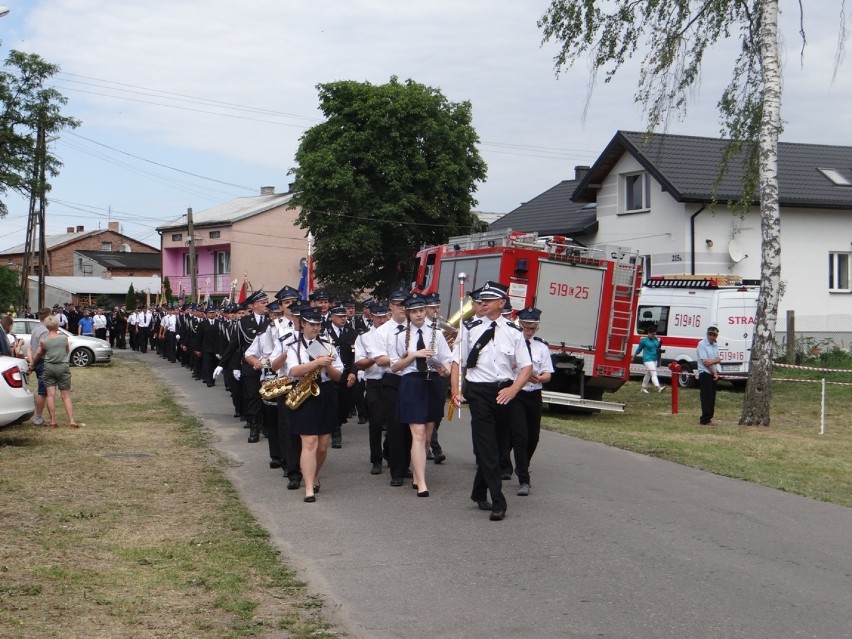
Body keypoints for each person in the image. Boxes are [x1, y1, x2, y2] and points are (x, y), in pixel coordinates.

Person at [451, 281, 532, 521]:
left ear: (502, 303)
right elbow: (457, 361)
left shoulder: (514, 331)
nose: (482, 303)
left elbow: (526, 367)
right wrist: (455, 391)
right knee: (486, 445)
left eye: (488, 300)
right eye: (481, 300)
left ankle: (478, 491)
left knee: (497, 446)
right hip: (478, 392)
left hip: (504, 391)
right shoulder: (469, 328)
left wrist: (514, 389)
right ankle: (498, 499)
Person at [389, 294, 452, 497]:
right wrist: (414, 355)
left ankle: (418, 473)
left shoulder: (436, 333)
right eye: (414, 311)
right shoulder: (399, 335)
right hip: (412, 383)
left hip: (432, 382)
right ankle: (422, 483)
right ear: (408, 313)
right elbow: (395, 367)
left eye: (421, 310)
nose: (418, 314)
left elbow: (447, 359)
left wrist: (446, 369)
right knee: (417, 433)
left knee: (427, 433)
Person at [282, 307, 343, 502]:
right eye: (312, 324)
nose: (315, 328)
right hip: (303, 392)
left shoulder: (328, 345)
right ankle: (308, 487)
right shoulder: (293, 346)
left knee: (323, 446)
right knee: (309, 442)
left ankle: (315, 474)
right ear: (303, 325)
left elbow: (338, 375)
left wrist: (327, 364)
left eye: (318, 324)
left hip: (324, 393)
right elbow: (294, 370)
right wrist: (316, 363)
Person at [511, 307, 554, 497]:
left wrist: (541, 378)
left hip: (534, 394)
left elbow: (548, 373)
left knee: (533, 437)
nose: (529, 332)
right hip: (517, 394)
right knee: (520, 436)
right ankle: (523, 478)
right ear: (519, 325)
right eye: (526, 328)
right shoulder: (511, 343)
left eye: (533, 329)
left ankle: (523, 465)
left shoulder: (541, 346)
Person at [354, 302, 389, 474]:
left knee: (395, 421)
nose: (382, 320)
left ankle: (391, 452)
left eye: (384, 316)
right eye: (378, 316)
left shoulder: (395, 334)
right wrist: (377, 357)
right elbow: (360, 363)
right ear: (372, 317)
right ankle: (376, 458)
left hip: (393, 380)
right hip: (374, 381)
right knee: (376, 421)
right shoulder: (364, 337)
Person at [29, 314, 78, 428]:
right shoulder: (63, 338)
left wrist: (32, 364)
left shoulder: (44, 341)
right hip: (62, 367)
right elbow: (67, 350)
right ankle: (71, 420)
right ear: (57, 326)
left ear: (47, 327)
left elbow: (38, 354)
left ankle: (53, 421)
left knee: (50, 395)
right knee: (66, 395)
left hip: (49, 367)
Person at [28, 308, 52, 426]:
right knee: (43, 391)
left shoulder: (36, 329)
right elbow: (40, 350)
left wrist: (32, 363)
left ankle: (39, 417)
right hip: (42, 362)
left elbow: (30, 348)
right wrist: (33, 363)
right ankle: (38, 418)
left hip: (37, 362)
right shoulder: (45, 331)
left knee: (43, 390)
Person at [696, 325, 721, 425]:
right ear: (707, 334)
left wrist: (712, 361)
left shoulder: (715, 345)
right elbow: (705, 363)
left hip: (713, 373)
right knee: (706, 397)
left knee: (712, 397)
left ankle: (709, 417)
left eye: (714, 335)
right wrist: (714, 372)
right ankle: (704, 419)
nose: (712, 337)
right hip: (705, 373)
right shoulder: (702, 344)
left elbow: (719, 359)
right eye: (710, 334)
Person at [635, 325, 665, 393]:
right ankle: (658, 387)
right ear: (648, 333)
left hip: (654, 359)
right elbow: (638, 350)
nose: (654, 335)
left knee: (648, 373)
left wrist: (660, 350)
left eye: (655, 334)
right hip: (647, 359)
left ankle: (643, 388)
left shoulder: (655, 339)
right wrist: (633, 356)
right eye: (652, 334)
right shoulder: (644, 341)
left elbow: (657, 348)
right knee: (654, 373)